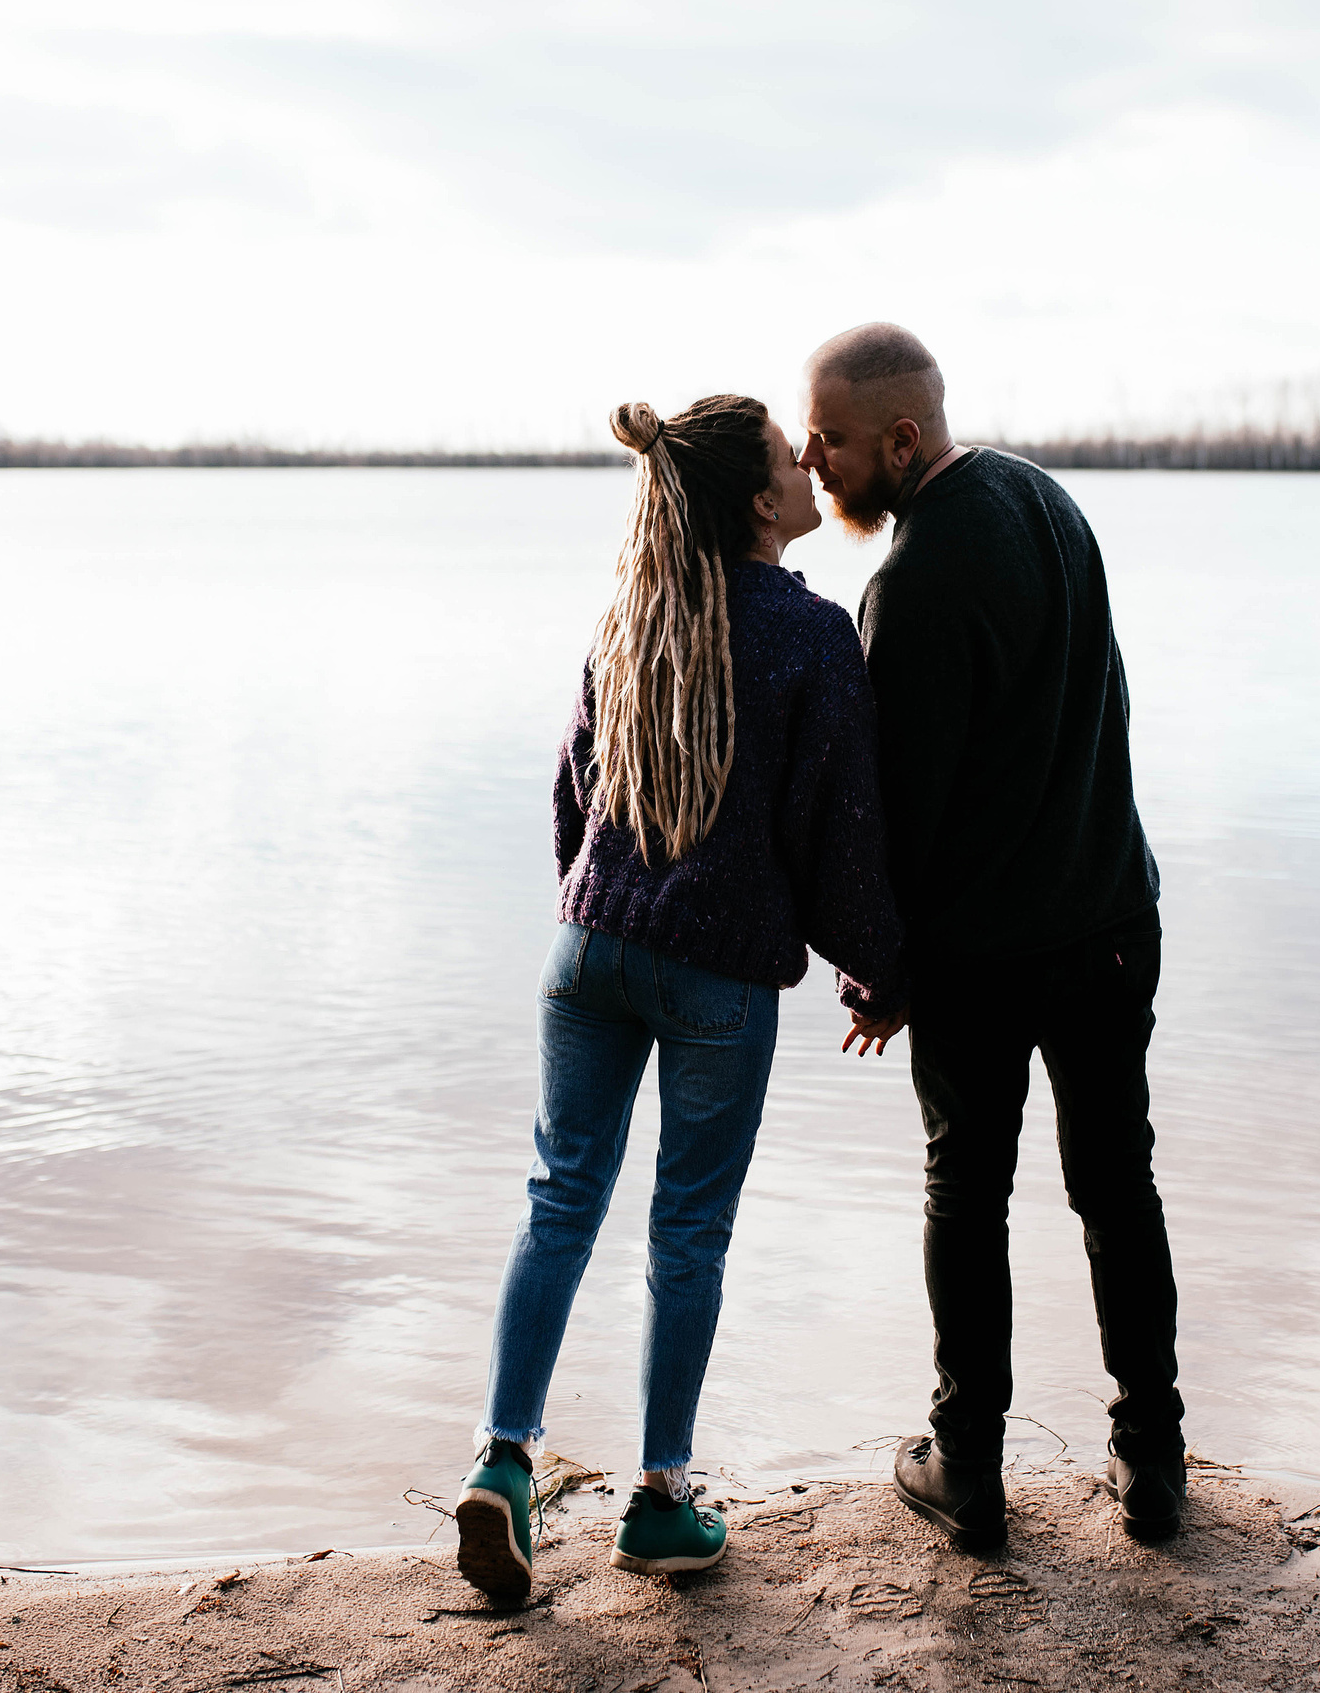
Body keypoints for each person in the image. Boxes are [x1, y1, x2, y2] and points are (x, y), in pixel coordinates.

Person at [452, 394, 907, 1607]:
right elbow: (839, 835)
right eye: (786, 460)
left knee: (559, 1199)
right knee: (685, 1234)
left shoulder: (631, 616)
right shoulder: (811, 638)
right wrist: (878, 969)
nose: (810, 468)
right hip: (717, 974)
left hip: (588, 946)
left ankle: (502, 1463)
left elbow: (572, 789)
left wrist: (599, 916)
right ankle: (660, 1504)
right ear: (761, 505)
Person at [800, 323, 1186, 1548]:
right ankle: (1153, 1457)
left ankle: (967, 1468)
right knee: (1116, 1183)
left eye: (835, 440)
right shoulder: (1050, 502)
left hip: (986, 957)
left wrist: (882, 974)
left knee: (966, 1194)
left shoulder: (909, 588)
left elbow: (899, 819)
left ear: (900, 438)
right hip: (1115, 922)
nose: (813, 459)